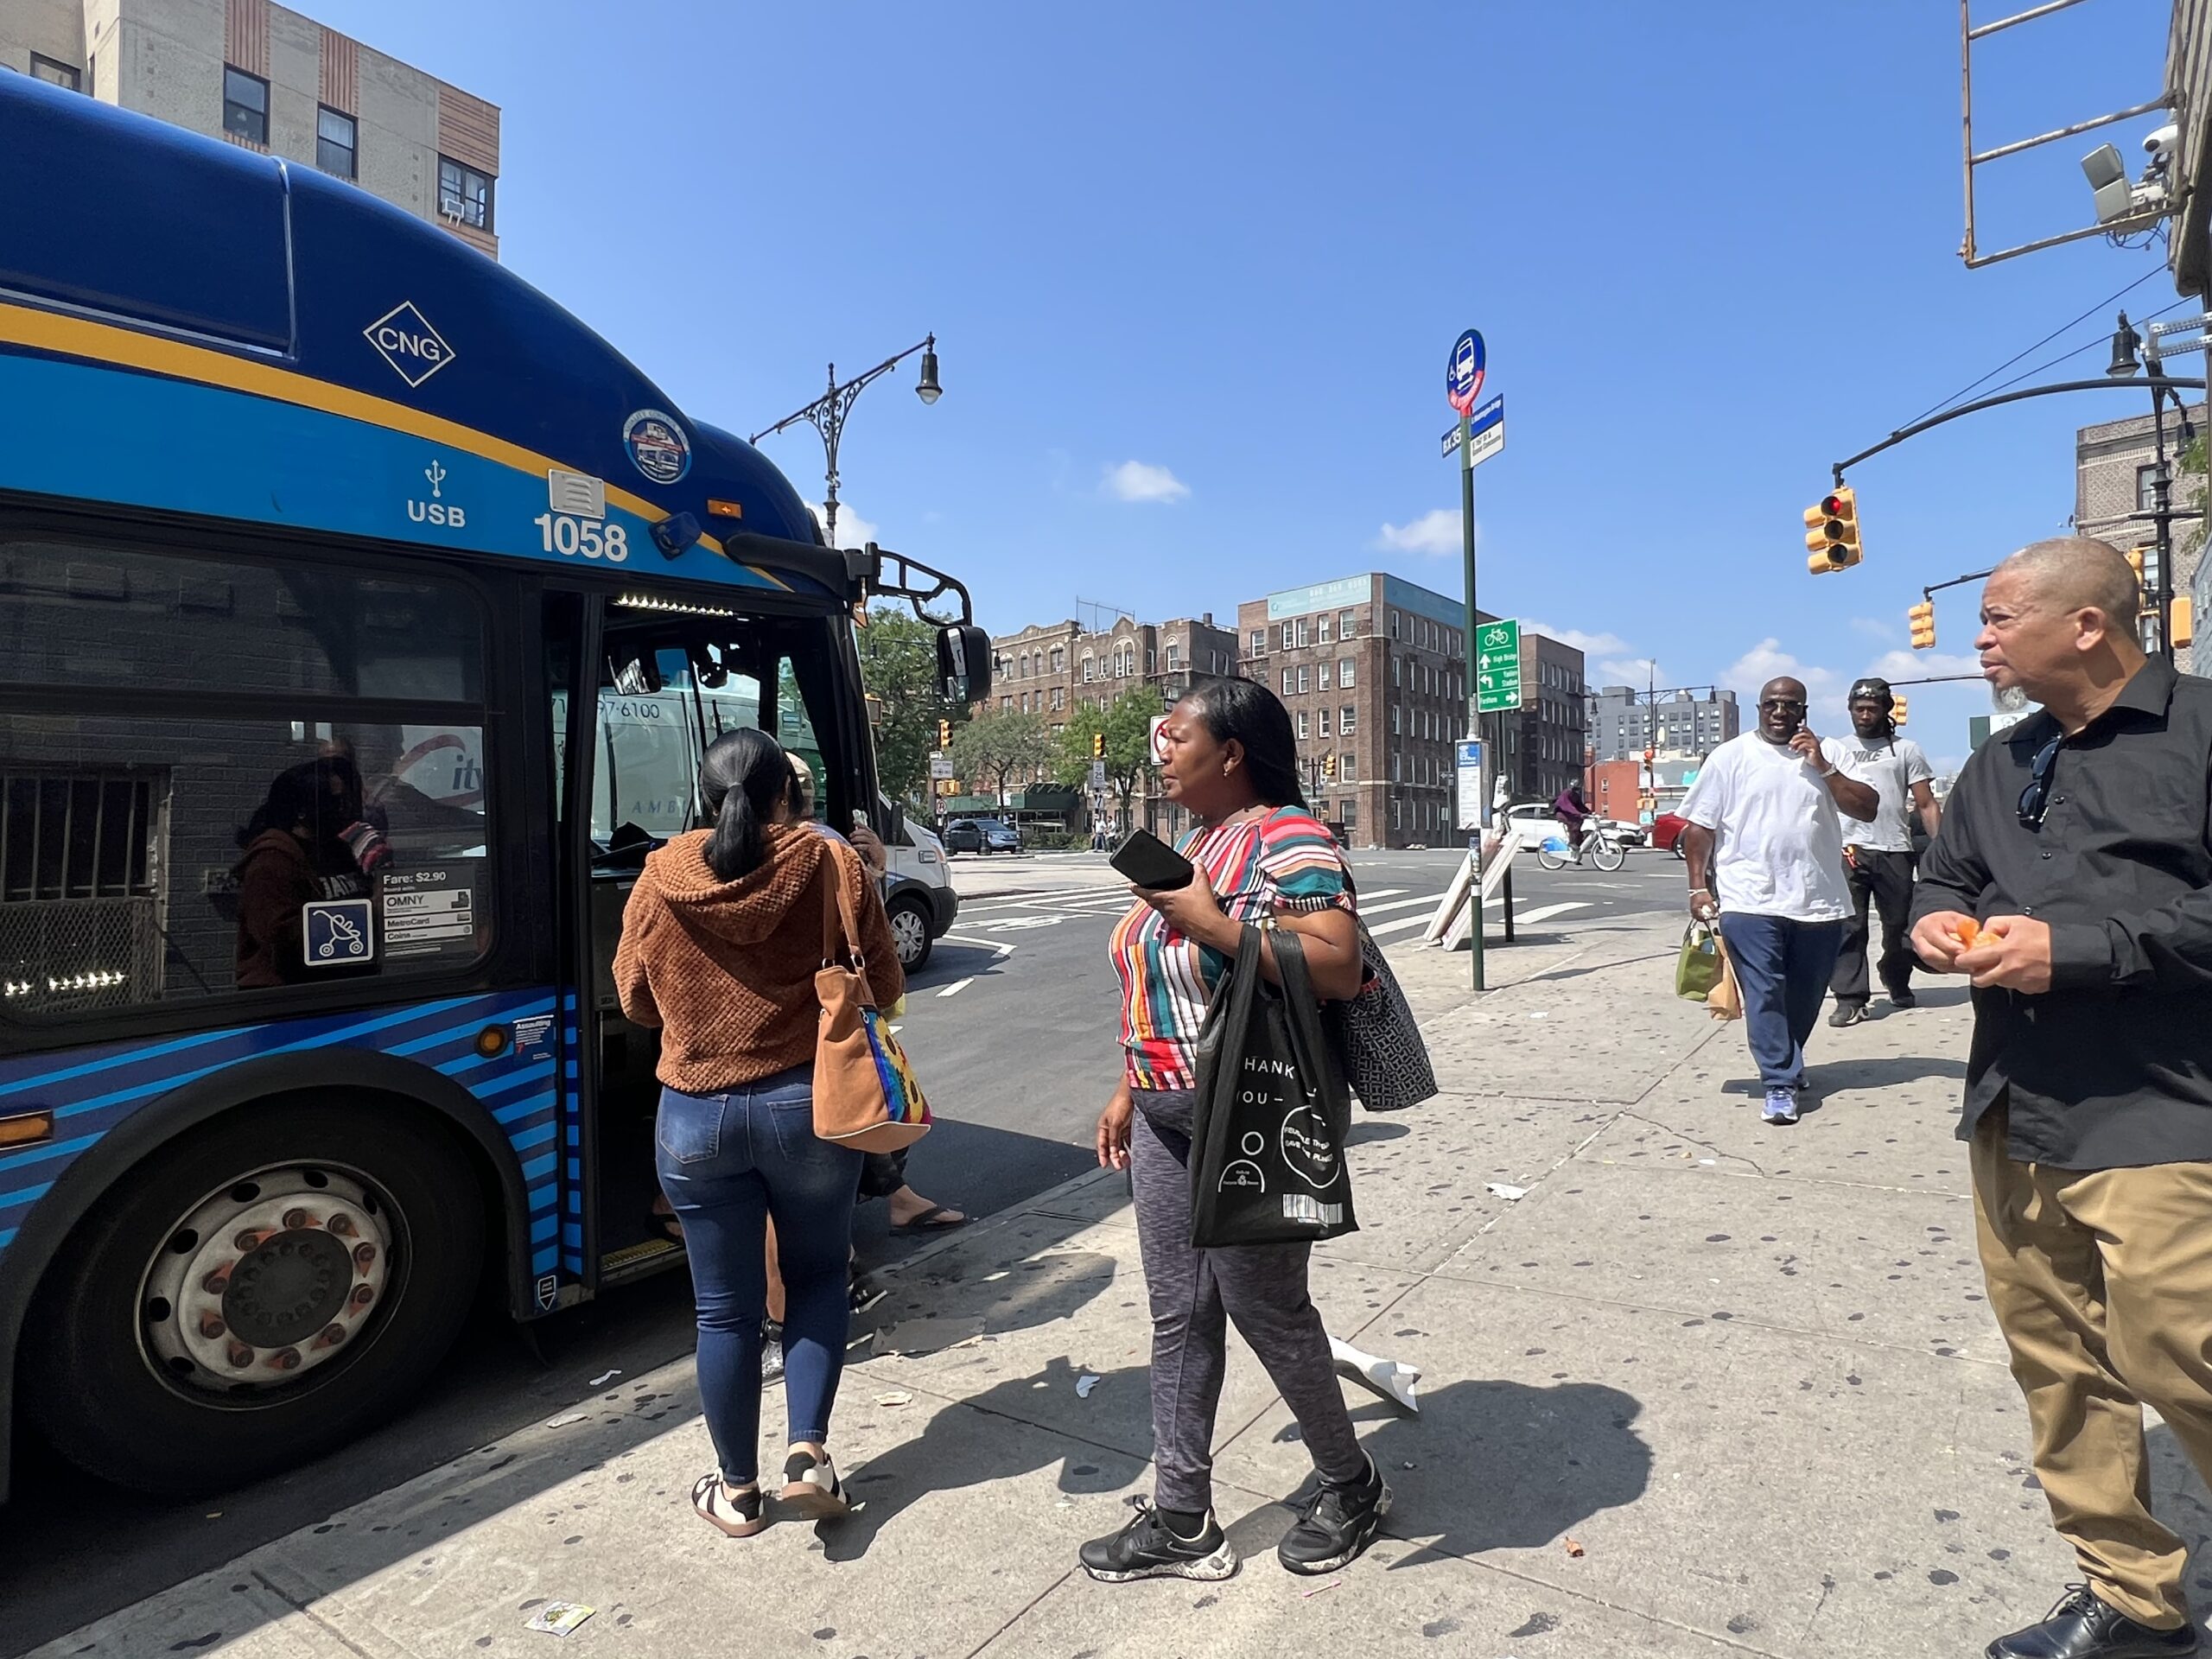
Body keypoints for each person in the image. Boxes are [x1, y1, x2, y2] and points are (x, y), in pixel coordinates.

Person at [1909, 539, 2212, 1659]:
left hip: (2165, 1109)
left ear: (2087, 625)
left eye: (1996, 618)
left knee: (2186, 1350)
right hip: (2014, 1112)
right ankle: (2133, 1598)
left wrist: (2078, 950)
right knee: (2060, 1369)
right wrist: (1933, 924)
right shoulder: (2000, 764)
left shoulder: (2201, 733)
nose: (1978, 639)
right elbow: (1946, 877)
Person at [1087, 676, 1388, 1585]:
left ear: (1230, 754)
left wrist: (1216, 924)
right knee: (1179, 1316)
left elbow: (1338, 964)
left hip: (1247, 1110)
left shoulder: (1287, 836)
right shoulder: (1195, 841)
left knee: (1266, 1309)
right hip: (1164, 1111)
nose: (1161, 752)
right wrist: (1126, 1087)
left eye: (1176, 737)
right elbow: (1170, 989)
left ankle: (1351, 1482)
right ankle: (1182, 1518)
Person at [613, 727, 902, 1539]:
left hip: (694, 1115)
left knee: (722, 1310)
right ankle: (807, 1452)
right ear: (785, 793)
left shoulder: (658, 876)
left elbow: (634, 998)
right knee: (814, 1278)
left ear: (706, 795)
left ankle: (736, 1491)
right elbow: (882, 980)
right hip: (808, 1108)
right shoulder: (829, 862)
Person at [1681, 677, 1877, 1124]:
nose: (1780, 712)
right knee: (1766, 990)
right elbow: (1700, 828)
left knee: (1805, 995)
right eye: (1772, 704)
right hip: (1748, 898)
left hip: (1819, 897)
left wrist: (1823, 766)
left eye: (1791, 705)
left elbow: (1866, 807)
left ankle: (1787, 1057)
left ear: (1804, 710)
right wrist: (1698, 886)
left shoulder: (1832, 754)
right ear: (1759, 707)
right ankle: (1779, 1082)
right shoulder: (1730, 757)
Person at [1823, 677, 1941, 1027]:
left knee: (1899, 925)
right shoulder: (1834, 748)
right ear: (1849, 710)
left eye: (1872, 708)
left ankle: (1896, 976)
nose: (1864, 714)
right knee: (1850, 926)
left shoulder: (1906, 750)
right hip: (1849, 847)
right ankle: (1850, 997)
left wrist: (1941, 848)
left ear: (1886, 710)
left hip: (1894, 848)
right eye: (1858, 708)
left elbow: (1926, 803)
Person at [233, 755, 378, 988]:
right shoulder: (271, 862)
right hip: (292, 999)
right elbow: (282, 939)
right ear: (302, 811)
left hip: (348, 987)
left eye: (346, 800)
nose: (344, 808)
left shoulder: (339, 851)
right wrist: (370, 914)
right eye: (334, 801)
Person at [1552, 780, 1591, 857]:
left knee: (1579, 826)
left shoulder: (1576, 796)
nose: (1577, 790)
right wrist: (1579, 814)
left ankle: (1576, 852)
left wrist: (1590, 813)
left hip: (1571, 813)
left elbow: (1581, 806)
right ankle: (1572, 842)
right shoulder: (1566, 793)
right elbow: (1568, 806)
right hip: (1562, 813)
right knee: (1573, 823)